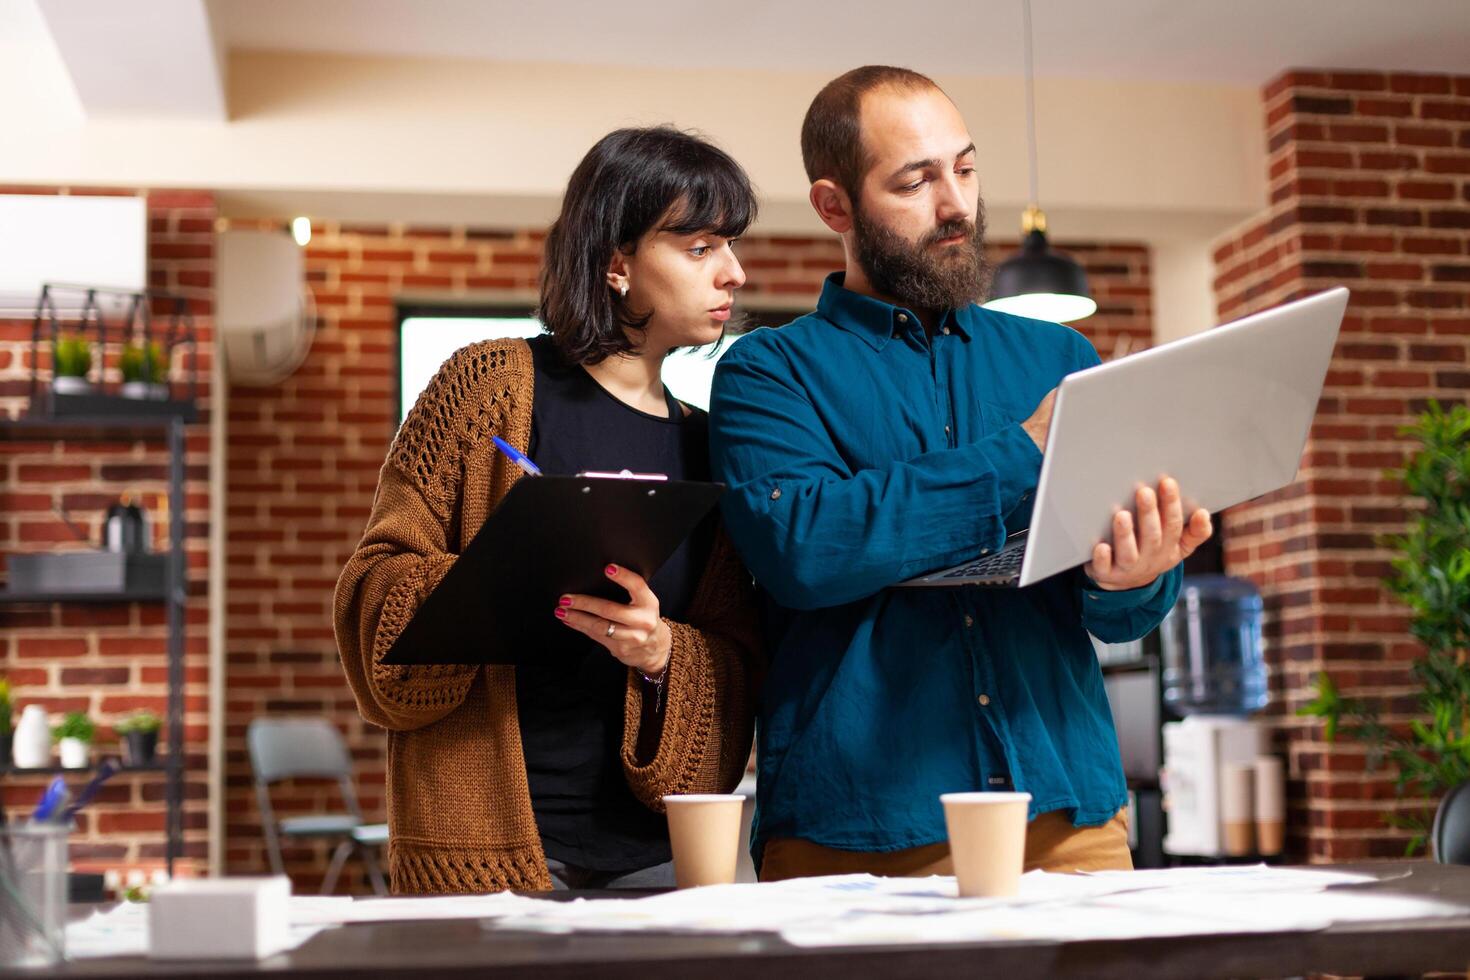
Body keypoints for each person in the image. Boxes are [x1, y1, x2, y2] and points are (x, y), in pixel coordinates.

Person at [708, 66, 1213, 881]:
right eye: (916, 180)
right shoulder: (769, 373)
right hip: (857, 828)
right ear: (834, 206)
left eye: (966, 168)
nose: (957, 206)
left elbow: (1120, 619)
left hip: (1067, 818)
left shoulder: (1059, 359)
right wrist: (1023, 452)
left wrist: (1131, 578)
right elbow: (808, 548)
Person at [336, 126, 762, 894]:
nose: (733, 271)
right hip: (485, 856)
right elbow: (374, 596)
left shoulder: (712, 446)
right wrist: (499, 573)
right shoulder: (488, 388)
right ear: (617, 263)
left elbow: (736, 659)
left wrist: (663, 652)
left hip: (658, 865)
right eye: (700, 247)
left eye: (730, 245)